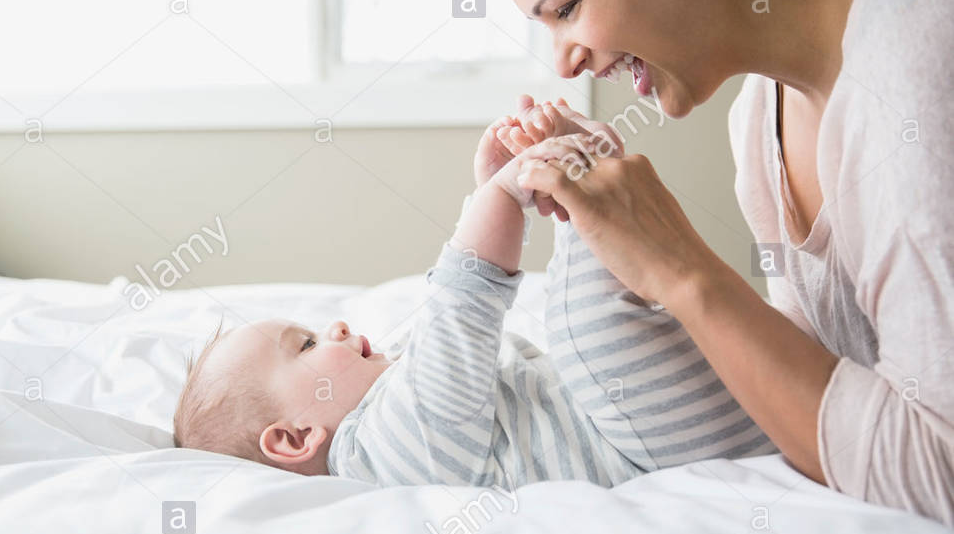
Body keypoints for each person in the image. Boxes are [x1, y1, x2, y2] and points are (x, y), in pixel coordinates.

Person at [478, 0, 953, 525]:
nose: (565, 64)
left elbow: (939, 472)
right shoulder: (760, 118)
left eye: (567, 8)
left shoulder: (919, 49)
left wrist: (682, 270)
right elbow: (814, 406)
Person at [172, 103, 774, 485]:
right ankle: (585, 179)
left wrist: (494, 190)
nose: (329, 330)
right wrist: (503, 199)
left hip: (659, 418)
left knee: (593, 318)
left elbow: (456, 336)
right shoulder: (381, 458)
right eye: (302, 347)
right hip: (654, 449)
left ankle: (585, 178)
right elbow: (461, 310)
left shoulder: (390, 397)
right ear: (297, 437)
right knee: (580, 325)